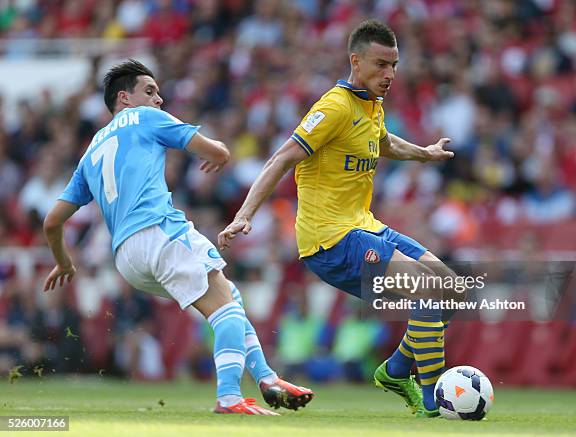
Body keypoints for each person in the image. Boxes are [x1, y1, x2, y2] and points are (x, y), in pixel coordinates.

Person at [219, 20, 460, 418]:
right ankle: (438, 401)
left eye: (394, 65)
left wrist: (425, 153)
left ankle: (397, 371)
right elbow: (283, 157)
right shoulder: (333, 107)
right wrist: (244, 216)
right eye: (382, 64)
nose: (390, 74)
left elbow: (384, 142)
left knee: (450, 288)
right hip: (331, 240)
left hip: (365, 225)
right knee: (426, 289)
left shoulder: (372, 105)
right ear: (356, 61)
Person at [43, 59, 313, 415]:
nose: (159, 100)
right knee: (227, 311)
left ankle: (266, 377)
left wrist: (64, 262)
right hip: (160, 232)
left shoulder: (91, 151)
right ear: (124, 99)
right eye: (150, 91)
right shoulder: (144, 117)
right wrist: (219, 156)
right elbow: (218, 151)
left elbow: (51, 222)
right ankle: (229, 398)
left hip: (127, 258)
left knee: (227, 294)